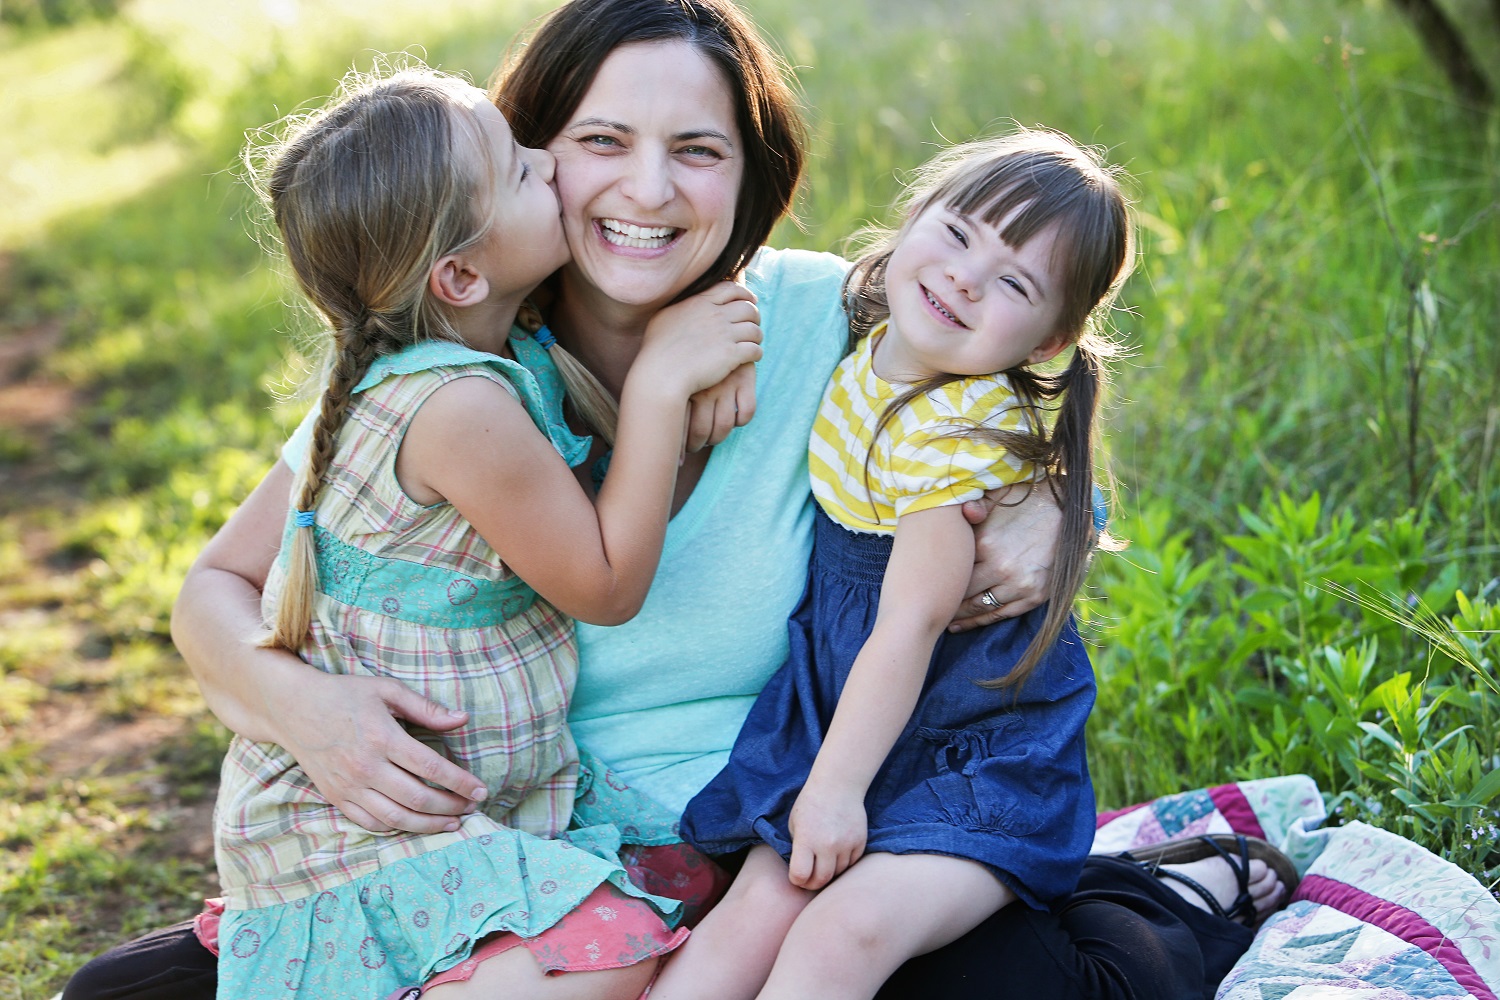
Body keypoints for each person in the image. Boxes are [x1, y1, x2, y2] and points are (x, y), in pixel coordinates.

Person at [57, 1, 1139, 997]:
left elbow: (1017, 363)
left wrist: (1054, 513)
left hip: (762, 832)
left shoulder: (827, 318)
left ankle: (1166, 905)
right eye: (604, 143)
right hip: (504, 847)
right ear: (522, 163)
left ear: (748, 179)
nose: (651, 191)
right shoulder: (449, 374)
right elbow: (218, 586)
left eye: (699, 151)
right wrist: (305, 709)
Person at [204, 64, 764, 999]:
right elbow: (605, 585)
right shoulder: (459, 406)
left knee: (675, 899)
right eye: (517, 170)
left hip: (478, 804)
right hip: (366, 833)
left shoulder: (498, 351)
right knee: (608, 967)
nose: (548, 161)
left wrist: (721, 335)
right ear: (460, 273)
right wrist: (665, 384)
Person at [653, 129, 1129, 1000]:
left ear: (1051, 341)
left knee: (838, 936)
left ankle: (1182, 910)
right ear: (913, 216)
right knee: (743, 927)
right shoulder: (864, 344)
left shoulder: (955, 440)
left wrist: (833, 794)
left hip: (965, 748)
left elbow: (909, 625)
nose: (964, 278)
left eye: (1014, 282)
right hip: (849, 719)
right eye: (957, 234)